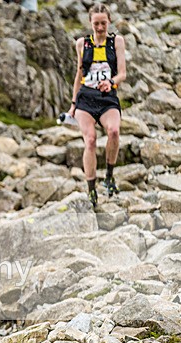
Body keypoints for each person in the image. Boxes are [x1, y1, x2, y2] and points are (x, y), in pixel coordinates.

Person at [66, 3, 126, 208]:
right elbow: (78, 74)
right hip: (85, 99)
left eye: (103, 23)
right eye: (96, 24)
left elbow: (122, 73)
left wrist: (111, 82)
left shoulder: (116, 41)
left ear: (109, 21)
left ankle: (109, 176)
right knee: (90, 140)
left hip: (107, 97)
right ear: (90, 23)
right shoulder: (82, 44)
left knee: (114, 131)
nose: (100, 28)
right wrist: (73, 104)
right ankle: (91, 190)